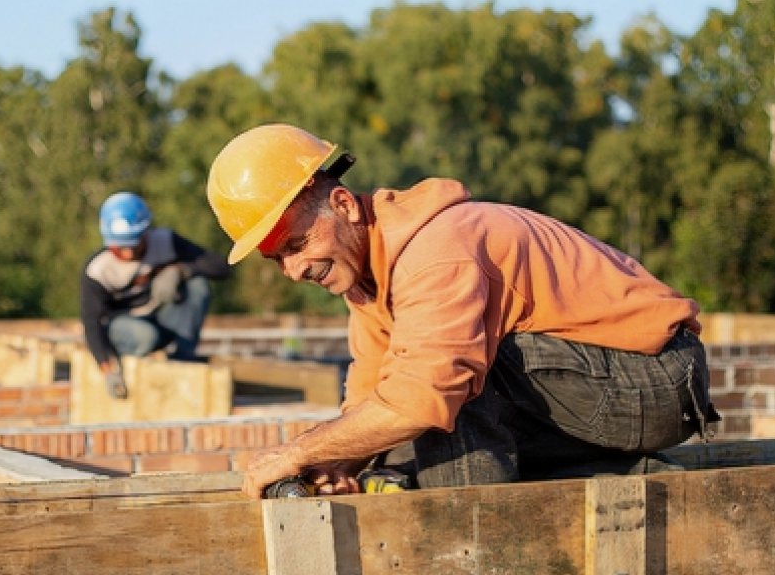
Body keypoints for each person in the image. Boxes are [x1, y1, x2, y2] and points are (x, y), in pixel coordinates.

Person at [205, 124, 719, 498]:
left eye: (297, 244)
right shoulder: (367, 283)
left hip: (658, 380)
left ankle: (477, 569)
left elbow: (420, 395)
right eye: (278, 259)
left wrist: (299, 451)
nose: (294, 271)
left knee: (445, 388)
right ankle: (629, 477)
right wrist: (337, 462)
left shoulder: (436, 250)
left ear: (342, 205)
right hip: (592, 389)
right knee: (402, 442)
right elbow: (370, 397)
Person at [81, 191, 231, 399]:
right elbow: (91, 324)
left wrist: (180, 270)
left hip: (161, 316)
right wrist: (107, 368)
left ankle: (182, 358)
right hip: (125, 326)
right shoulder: (98, 270)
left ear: (146, 232)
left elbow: (222, 267)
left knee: (198, 285)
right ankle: (139, 359)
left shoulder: (165, 242)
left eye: (134, 244)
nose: (129, 253)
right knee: (145, 335)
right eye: (121, 247)